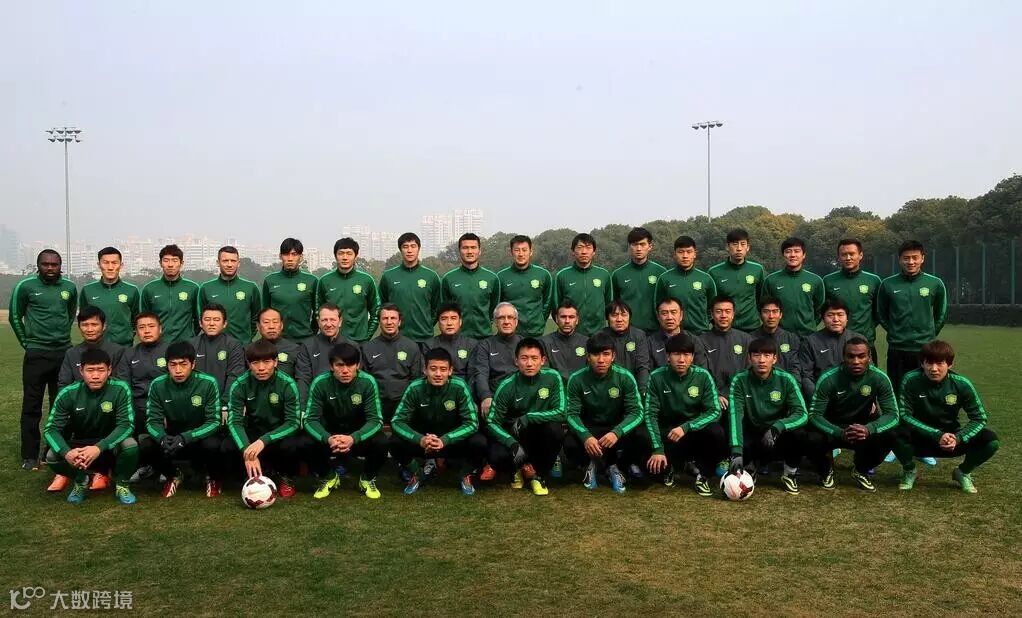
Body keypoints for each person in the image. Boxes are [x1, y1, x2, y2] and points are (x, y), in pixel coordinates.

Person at [892, 340, 999, 493]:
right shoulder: (910, 380)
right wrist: (936, 434)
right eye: (929, 363)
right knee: (892, 432)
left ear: (950, 364)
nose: (934, 369)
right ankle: (909, 470)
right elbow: (904, 415)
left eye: (940, 363)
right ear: (922, 363)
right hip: (920, 438)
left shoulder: (962, 384)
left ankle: (963, 472)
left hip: (951, 441)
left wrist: (958, 438)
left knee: (991, 441)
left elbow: (979, 418)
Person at [42, 348, 138, 505]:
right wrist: (67, 453)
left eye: (101, 370)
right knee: (52, 455)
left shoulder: (120, 388)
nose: (95, 375)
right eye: (90, 370)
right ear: (81, 371)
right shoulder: (68, 393)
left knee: (130, 445)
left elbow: (126, 425)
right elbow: (51, 429)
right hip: (81, 447)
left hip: (109, 445)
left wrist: (99, 447)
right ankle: (81, 480)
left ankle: (122, 484)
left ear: (109, 370)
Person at [10, 249, 77, 470]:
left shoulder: (69, 287)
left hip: (63, 354)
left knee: (62, 405)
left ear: (60, 266)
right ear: (38, 265)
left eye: (54, 264)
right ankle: (30, 455)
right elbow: (14, 316)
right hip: (36, 354)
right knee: (32, 407)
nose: (50, 268)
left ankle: (54, 450)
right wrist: (27, 343)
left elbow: (69, 315)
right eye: (45, 264)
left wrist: (60, 338)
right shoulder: (25, 286)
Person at [805, 337, 899, 491]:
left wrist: (869, 429)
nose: (856, 361)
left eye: (861, 356)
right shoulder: (828, 378)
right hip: (833, 427)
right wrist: (838, 432)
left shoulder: (879, 378)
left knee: (892, 434)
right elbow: (815, 415)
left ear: (869, 357)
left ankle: (861, 469)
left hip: (862, 428)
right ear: (843, 357)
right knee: (809, 437)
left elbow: (892, 415)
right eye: (851, 356)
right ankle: (825, 470)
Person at [389, 348, 486, 496]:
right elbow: (397, 421)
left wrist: (445, 440)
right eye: (433, 369)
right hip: (424, 442)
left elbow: (472, 423)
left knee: (479, 443)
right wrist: (420, 439)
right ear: (425, 370)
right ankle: (417, 473)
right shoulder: (414, 388)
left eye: (443, 369)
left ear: (450, 371)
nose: (438, 374)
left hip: (451, 441)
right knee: (394, 442)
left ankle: (465, 474)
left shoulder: (459, 386)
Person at [643, 334, 725, 496]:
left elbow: (715, 411)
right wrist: (658, 448)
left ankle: (704, 475)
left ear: (692, 357)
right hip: (668, 432)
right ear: (668, 356)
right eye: (676, 354)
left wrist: (686, 427)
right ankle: (669, 467)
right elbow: (650, 414)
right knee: (641, 436)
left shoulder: (703, 376)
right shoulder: (656, 377)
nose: (681, 360)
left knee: (717, 432)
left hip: (693, 429)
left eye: (686, 355)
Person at [304, 343, 388, 500]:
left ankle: (367, 478)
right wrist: (327, 438)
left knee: (382, 442)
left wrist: (353, 438)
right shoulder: (320, 383)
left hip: (357, 435)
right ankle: (328, 476)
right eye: (340, 365)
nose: (345, 370)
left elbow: (375, 420)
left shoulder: (367, 382)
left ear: (358, 365)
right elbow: (310, 419)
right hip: (331, 437)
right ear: (331, 366)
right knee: (305, 442)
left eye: (350, 365)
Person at [563, 333, 644, 494]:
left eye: (606, 354)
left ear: (613, 356)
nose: (601, 360)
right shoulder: (576, 379)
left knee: (641, 436)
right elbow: (571, 414)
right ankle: (590, 465)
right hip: (590, 428)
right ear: (588, 357)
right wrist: (586, 436)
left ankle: (614, 467)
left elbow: (637, 412)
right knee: (569, 443)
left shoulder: (625, 377)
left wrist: (617, 432)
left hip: (615, 428)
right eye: (595, 354)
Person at [141, 341, 224, 498]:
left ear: (193, 364)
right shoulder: (157, 385)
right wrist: (162, 437)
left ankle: (212, 478)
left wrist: (187, 437)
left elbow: (214, 422)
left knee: (214, 445)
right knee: (147, 445)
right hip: (172, 439)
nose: (178, 370)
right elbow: (152, 421)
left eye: (183, 364)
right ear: (167, 365)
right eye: (173, 365)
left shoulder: (208, 383)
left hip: (199, 438)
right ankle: (173, 475)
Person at [224, 340, 306, 498]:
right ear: (248, 364)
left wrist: (264, 440)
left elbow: (293, 422)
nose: (261, 368)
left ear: (275, 362)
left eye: (267, 362)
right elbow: (235, 422)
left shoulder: (287, 384)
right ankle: (250, 476)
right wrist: (247, 450)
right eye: (255, 363)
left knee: (293, 444)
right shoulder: (240, 384)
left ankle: (286, 477)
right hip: (254, 430)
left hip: (279, 432)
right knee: (227, 445)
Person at [484, 338, 565, 495]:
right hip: (514, 434)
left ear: (543, 360)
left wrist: (528, 417)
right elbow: (491, 423)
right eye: (524, 358)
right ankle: (517, 469)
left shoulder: (553, 377)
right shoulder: (507, 386)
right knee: (497, 456)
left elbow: (561, 412)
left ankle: (538, 475)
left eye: (534, 358)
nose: (529, 364)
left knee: (555, 430)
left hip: (538, 433)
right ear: (516, 361)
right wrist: (511, 443)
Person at [727, 338, 808, 495]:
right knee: (731, 430)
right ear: (749, 358)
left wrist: (778, 427)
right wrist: (736, 451)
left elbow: (802, 413)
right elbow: (735, 415)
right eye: (756, 355)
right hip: (753, 431)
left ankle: (789, 473)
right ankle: (749, 469)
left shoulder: (786, 379)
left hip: (776, 434)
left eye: (767, 355)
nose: (761, 360)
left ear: (775, 358)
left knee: (799, 434)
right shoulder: (739, 380)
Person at [877, 240, 948, 396]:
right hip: (897, 348)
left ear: (922, 258)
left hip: (924, 348)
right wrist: (894, 331)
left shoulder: (935, 283)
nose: (911, 262)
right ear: (899, 259)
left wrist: (929, 333)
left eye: (915, 257)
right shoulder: (887, 284)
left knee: (924, 391)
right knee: (897, 390)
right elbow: (881, 314)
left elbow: (941, 314)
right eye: (906, 258)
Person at [360, 304, 422, 422]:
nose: (389, 322)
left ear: (399, 322)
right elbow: (365, 381)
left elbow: (416, 380)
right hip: (375, 405)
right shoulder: (367, 347)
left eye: (393, 318)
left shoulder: (412, 347)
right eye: (385, 318)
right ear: (379, 322)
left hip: (404, 405)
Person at [823, 239, 882, 359]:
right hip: (835, 342)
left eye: (852, 254)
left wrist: (867, 328)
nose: (848, 258)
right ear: (839, 257)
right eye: (844, 254)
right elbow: (823, 311)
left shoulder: (874, 280)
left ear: (860, 255)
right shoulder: (828, 281)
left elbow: (879, 312)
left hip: (865, 341)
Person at [378, 232, 441, 343]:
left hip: (424, 338)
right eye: (405, 247)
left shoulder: (431, 276)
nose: (409, 250)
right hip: (396, 338)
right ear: (400, 250)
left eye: (413, 246)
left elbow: (437, 307)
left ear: (419, 248)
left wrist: (426, 323)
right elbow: (383, 305)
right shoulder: (388, 276)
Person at [317, 237, 381, 343]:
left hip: (359, 342)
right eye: (341, 253)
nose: (345, 257)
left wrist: (366, 337)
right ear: (335, 256)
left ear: (356, 256)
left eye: (349, 253)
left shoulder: (366, 280)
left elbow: (376, 311)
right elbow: (318, 311)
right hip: (331, 342)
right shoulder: (324, 281)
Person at [799, 298, 863, 398]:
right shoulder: (810, 342)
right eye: (830, 315)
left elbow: (869, 372)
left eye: (840, 315)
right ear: (823, 319)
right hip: (823, 396)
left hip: (854, 395)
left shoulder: (859, 340)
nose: (836, 319)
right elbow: (806, 376)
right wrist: (817, 399)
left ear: (847, 318)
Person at [700, 296, 753, 415]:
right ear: (712, 314)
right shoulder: (701, 341)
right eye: (719, 311)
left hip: (741, 397)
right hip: (713, 399)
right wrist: (715, 394)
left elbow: (751, 370)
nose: (723, 315)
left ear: (733, 314)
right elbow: (702, 373)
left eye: (727, 311)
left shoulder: (746, 339)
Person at [654, 235, 717, 335]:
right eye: (681, 252)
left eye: (689, 252)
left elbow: (713, 307)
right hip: (674, 334)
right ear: (674, 254)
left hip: (701, 333)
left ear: (695, 254)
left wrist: (705, 323)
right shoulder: (664, 278)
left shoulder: (706, 279)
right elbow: (658, 307)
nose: (685, 256)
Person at [441, 233, 500, 339]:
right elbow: (445, 309)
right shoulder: (448, 279)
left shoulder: (492, 278)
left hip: (484, 337)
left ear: (480, 251)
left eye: (473, 247)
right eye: (465, 248)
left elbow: (494, 308)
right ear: (459, 251)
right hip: (457, 338)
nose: (469, 251)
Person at [198, 246, 261, 343]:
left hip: (243, 346)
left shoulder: (251, 287)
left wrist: (246, 338)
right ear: (218, 263)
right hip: (214, 345)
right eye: (225, 261)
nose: (229, 264)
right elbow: (202, 318)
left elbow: (256, 317)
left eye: (233, 261)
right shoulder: (206, 288)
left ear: (238, 263)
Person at [79, 246, 140, 346]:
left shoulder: (132, 290)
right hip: (95, 348)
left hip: (124, 348)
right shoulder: (87, 290)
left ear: (121, 265)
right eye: (106, 263)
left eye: (114, 263)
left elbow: (136, 320)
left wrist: (126, 336)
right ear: (99, 265)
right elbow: (83, 319)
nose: (110, 267)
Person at [763, 237, 825, 336]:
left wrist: (808, 325)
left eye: (797, 251)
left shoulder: (816, 280)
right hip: (779, 336)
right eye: (788, 251)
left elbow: (820, 309)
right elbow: (764, 307)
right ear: (783, 255)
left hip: (807, 335)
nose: (792, 255)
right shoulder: (771, 280)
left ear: (804, 255)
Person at [708, 229, 767, 332]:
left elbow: (761, 299)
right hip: (725, 329)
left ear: (748, 247)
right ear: (727, 247)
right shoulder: (714, 272)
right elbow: (710, 303)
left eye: (743, 244)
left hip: (752, 328)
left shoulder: (757, 269)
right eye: (735, 244)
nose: (739, 248)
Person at [469, 302, 521, 419]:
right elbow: (481, 373)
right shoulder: (485, 345)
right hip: (494, 400)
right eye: (501, 318)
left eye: (510, 317)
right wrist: (486, 396)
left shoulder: (524, 345)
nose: (506, 321)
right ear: (495, 322)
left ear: (516, 321)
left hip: (521, 398)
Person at [554, 233, 613, 337]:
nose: (584, 251)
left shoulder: (604, 275)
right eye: (580, 247)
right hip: (572, 335)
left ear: (594, 252)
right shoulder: (562, 275)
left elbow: (609, 304)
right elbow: (556, 306)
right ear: (573, 251)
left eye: (588, 247)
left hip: (599, 334)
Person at [189, 303, 245, 412]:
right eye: (207, 319)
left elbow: (234, 377)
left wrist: (224, 404)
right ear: (200, 323)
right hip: (194, 402)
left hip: (222, 405)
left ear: (224, 324)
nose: (211, 323)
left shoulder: (233, 345)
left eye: (216, 320)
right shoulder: (191, 345)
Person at [58, 306, 129, 391]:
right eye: (85, 325)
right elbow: (64, 384)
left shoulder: (117, 351)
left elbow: (121, 385)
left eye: (94, 325)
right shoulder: (72, 353)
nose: (89, 329)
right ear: (79, 327)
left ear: (104, 326)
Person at [497, 234, 554, 338]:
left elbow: (548, 302)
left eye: (524, 250)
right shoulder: (501, 276)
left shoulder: (543, 275)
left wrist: (540, 321)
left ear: (531, 251)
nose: (521, 254)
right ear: (511, 252)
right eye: (517, 250)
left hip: (535, 333)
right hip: (510, 334)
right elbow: (498, 305)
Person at [140, 244, 200, 343]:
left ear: (181, 263)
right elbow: (144, 320)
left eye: (175, 260)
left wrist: (191, 336)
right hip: (158, 345)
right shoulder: (149, 289)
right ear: (160, 263)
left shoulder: (193, 288)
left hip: (185, 344)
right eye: (166, 260)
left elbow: (198, 318)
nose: (170, 264)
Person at [262, 238, 318, 341]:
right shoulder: (270, 280)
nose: (290, 258)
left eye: (294, 254)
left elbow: (317, 312)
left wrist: (312, 333)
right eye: (286, 254)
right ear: (280, 256)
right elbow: (264, 313)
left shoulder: (312, 281)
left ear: (301, 257)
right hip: (277, 341)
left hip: (305, 340)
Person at [611, 227, 666, 333]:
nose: (639, 248)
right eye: (635, 244)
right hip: (628, 332)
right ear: (629, 246)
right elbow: (614, 306)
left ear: (650, 246)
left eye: (642, 244)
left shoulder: (661, 272)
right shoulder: (618, 274)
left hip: (656, 332)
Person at [125, 313, 169, 436]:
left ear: (160, 329)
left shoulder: (171, 351)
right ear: (136, 331)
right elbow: (124, 386)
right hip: (138, 408)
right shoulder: (129, 354)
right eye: (142, 327)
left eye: (151, 326)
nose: (147, 331)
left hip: (165, 407)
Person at [296, 303, 359, 389]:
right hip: (316, 395)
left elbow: (358, 379)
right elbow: (303, 380)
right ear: (318, 322)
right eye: (324, 320)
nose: (328, 324)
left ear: (340, 322)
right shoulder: (307, 346)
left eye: (332, 320)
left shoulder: (353, 346)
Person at [601, 300, 651, 395]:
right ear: (607, 318)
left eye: (624, 315)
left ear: (629, 317)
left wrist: (643, 391)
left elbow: (642, 366)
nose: (619, 319)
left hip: (633, 389)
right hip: (607, 390)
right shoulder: (600, 336)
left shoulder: (639, 336)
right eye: (614, 315)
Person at [647, 297, 707, 370]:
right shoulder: (650, 342)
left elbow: (701, 370)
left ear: (681, 315)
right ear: (658, 317)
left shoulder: (693, 340)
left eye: (673, 312)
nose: (669, 317)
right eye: (664, 313)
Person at [423, 303, 478, 380]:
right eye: (444, 319)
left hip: (463, 385)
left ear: (460, 322)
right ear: (438, 323)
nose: (449, 323)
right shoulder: (429, 345)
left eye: (453, 318)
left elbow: (472, 376)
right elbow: (425, 375)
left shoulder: (471, 344)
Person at [752, 298, 803, 376]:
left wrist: (791, 382)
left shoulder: (791, 339)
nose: (771, 316)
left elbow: (795, 368)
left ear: (781, 315)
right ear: (760, 315)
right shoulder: (751, 338)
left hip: (786, 382)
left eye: (775, 311)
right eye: (766, 312)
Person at [541, 299, 589, 383]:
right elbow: (546, 374)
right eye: (563, 317)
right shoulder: (544, 343)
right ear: (556, 319)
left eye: (571, 317)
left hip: (580, 389)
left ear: (577, 320)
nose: (567, 321)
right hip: (556, 388)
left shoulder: (587, 342)